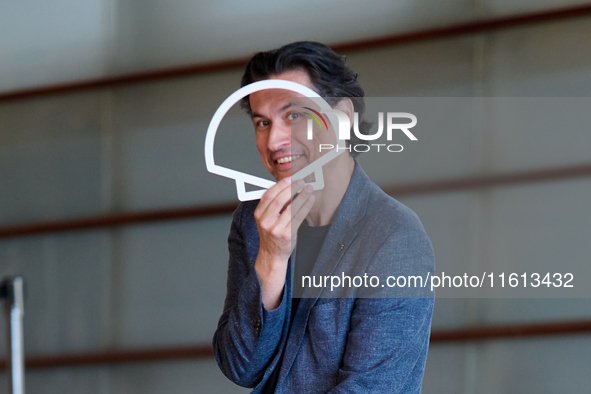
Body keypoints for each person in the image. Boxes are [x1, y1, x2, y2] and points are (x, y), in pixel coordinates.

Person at [212, 41, 435, 393]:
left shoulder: (395, 236)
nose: (274, 141)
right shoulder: (254, 221)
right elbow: (241, 367)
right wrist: (271, 261)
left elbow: (372, 388)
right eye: (263, 122)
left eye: (294, 115)